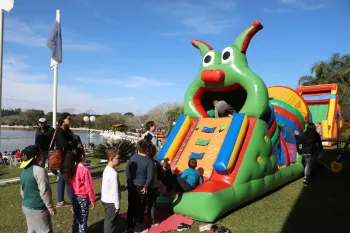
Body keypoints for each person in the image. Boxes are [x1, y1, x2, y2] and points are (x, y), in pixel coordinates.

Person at [20, 145, 56, 233]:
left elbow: (22, 191)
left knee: (31, 229)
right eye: (40, 153)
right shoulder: (40, 171)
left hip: (26, 207)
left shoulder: (23, 171)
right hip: (38, 209)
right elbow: (44, 191)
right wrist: (50, 207)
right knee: (45, 231)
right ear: (36, 157)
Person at [64, 148, 96, 233]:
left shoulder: (72, 168)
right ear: (82, 156)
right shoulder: (85, 170)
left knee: (76, 218)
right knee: (82, 220)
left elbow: (71, 185)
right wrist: (92, 200)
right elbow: (89, 187)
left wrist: (72, 197)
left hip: (75, 197)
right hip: (83, 199)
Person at [126, 139, 154, 233]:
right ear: (147, 150)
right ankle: (138, 227)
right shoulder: (149, 161)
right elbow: (150, 176)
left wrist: (129, 180)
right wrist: (146, 186)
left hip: (132, 185)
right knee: (140, 206)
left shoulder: (133, 157)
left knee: (131, 204)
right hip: (141, 187)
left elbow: (127, 170)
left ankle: (130, 223)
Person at [55, 112, 79, 208]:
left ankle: (60, 201)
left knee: (62, 179)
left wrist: (71, 142)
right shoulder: (59, 131)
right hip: (63, 158)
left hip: (67, 157)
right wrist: (71, 142)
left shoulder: (67, 131)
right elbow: (64, 144)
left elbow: (74, 142)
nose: (70, 120)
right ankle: (74, 203)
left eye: (70, 119)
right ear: (62, 120)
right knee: (68, 180)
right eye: (68, 118)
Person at [101, 148, 121, 233]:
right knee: (110, 223)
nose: (120, 160)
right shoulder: (113, 173)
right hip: (112, 202)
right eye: (118, 158)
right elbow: (115, 190)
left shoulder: (107, 169)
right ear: (111, 159)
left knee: (109, 221)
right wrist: (117, 205)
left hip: (105, 200)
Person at [146, 144, 163, 227]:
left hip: (143, 186)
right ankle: (152, 220)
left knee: (144, 202)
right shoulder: (156, 163)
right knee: (152, 203)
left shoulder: (143, 161)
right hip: (152, 186)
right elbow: (161, 175)